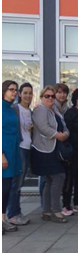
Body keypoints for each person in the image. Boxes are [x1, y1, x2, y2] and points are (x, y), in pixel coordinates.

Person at [31, 85, 69, 224]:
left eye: (52, 96)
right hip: (44, 150)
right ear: (41, 97)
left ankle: (47, 210)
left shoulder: (54, 110)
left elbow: (64, 125)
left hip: (53, 149)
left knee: (50, 180)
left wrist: (65, 134)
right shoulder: (40, 110)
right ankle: (55, 210)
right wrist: (58, 135)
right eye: (47, 96)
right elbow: (43, 127)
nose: (50, 98)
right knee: (59, 177)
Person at [7, 82, 33, 226]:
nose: (28, 95)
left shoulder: (30, 111)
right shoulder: (14, 109)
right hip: (19, 148)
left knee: (20, 182)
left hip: (28, 148)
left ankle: (16, 211)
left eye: (30, 93)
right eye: (25, 93)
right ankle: (12, 214)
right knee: (15, 183)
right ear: (20, 94)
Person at [3, 80, 22, 233]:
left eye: (16, 90)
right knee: (4, 187)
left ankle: (3, 219)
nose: (14, 92)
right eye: (11, 89)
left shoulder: (11, 108)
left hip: (13, 151)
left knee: (8, 187)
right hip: (4, 152)